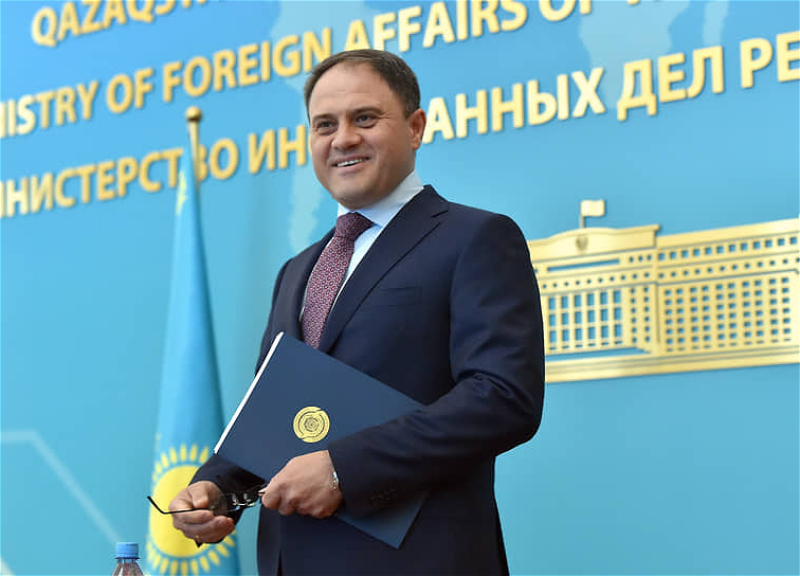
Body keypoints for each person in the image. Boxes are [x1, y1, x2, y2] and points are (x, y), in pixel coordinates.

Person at [169, 49, 545, 575]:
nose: (343, 139)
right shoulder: (296, 271)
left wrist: (343, 470)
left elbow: (502, 398)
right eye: (325, 125)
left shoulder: (475, 238)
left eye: (364, 118)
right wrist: (219, 487)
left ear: (415, 127)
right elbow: (274, 416)